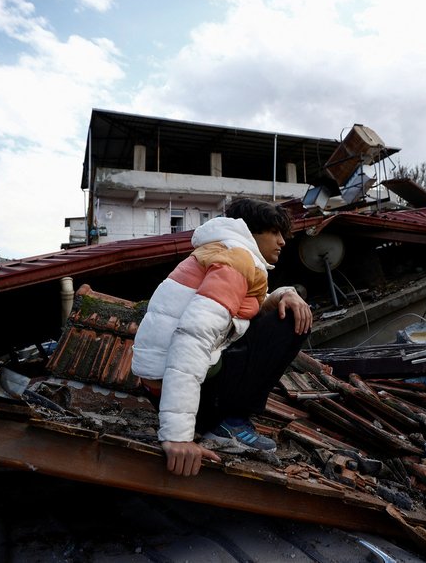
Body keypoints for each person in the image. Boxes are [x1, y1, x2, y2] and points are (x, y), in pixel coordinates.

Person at [131, 198, 313, 476]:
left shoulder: (223, 252)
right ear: (251, 231)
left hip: (162, 386)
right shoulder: (236, 261)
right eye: (274, 233)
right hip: (177, 384)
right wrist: (178, 436)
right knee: (287, 324)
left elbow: (250, 306)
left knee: (280, 312)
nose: (282, 242)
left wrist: (286, 293)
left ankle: (222, 419)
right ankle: (230, 425)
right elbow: (192, 338)